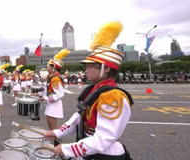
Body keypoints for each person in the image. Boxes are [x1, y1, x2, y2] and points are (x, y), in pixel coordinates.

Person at [44, 21, 133, 160]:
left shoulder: (113, 96)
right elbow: (80, 117)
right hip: (89, 149)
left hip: (104, 154)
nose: (86, 70)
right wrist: (57, 133)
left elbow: (103, 140)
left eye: (91, 66)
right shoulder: (94, 89)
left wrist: (67, 149)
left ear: (106, 69)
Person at [39, 49, 70, 130]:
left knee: (53, 129)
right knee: (52, 128)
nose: (47, 68)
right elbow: (49, 88)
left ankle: (56, 142)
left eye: (49, 66)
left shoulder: (55, 78)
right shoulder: (51, 77)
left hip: (54, 105)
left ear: (54, 68)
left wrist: (45, 98)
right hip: (51, 103)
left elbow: (60, 94)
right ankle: (55, 142)